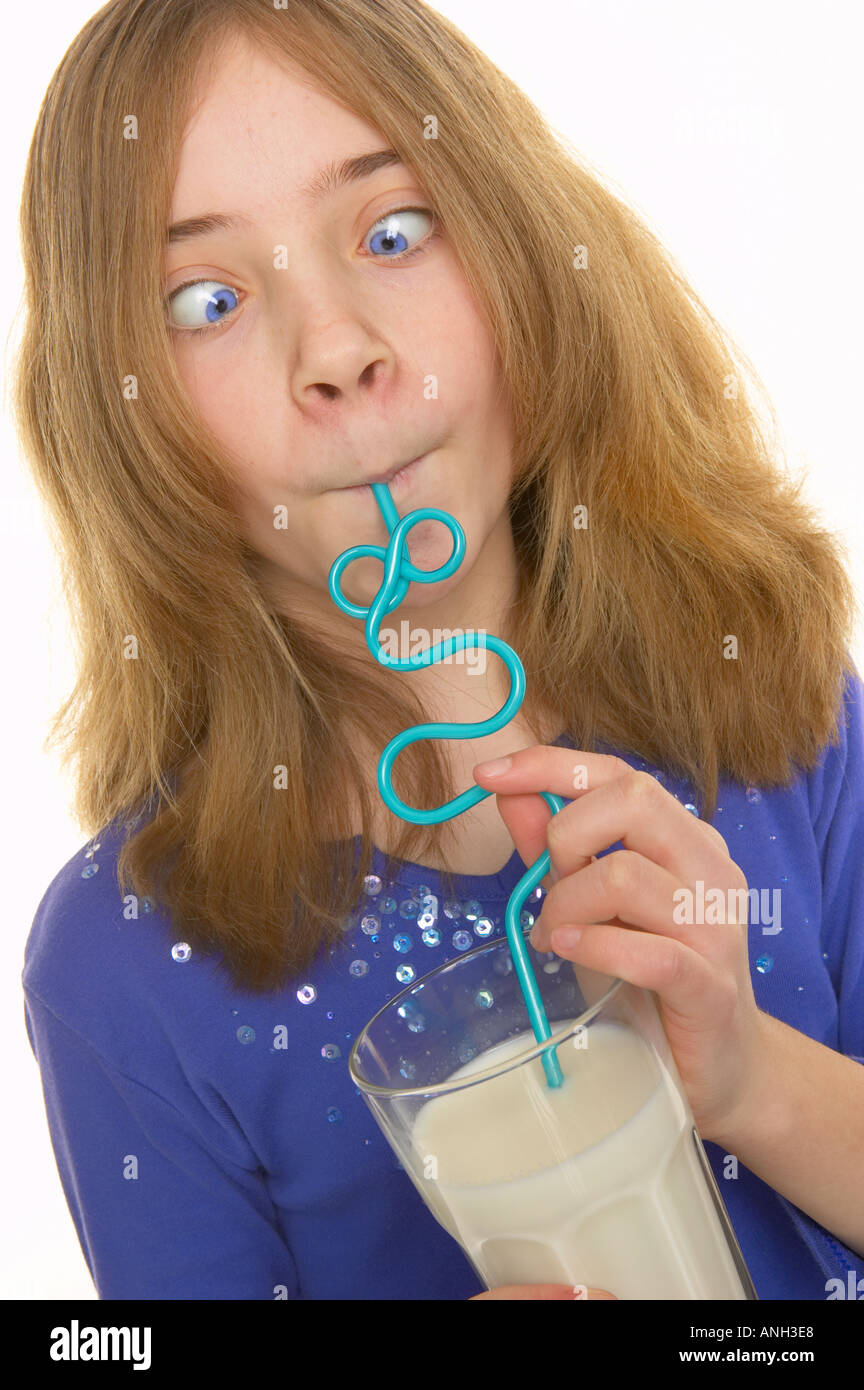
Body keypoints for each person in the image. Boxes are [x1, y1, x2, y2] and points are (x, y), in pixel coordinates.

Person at [15, 0, 864, 1301]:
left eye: (394, 230)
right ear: (126, 419)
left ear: (519, 245)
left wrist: (749, 1073)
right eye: (209, 298)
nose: (341, 352)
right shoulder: (129, 960)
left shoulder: (764, 700)